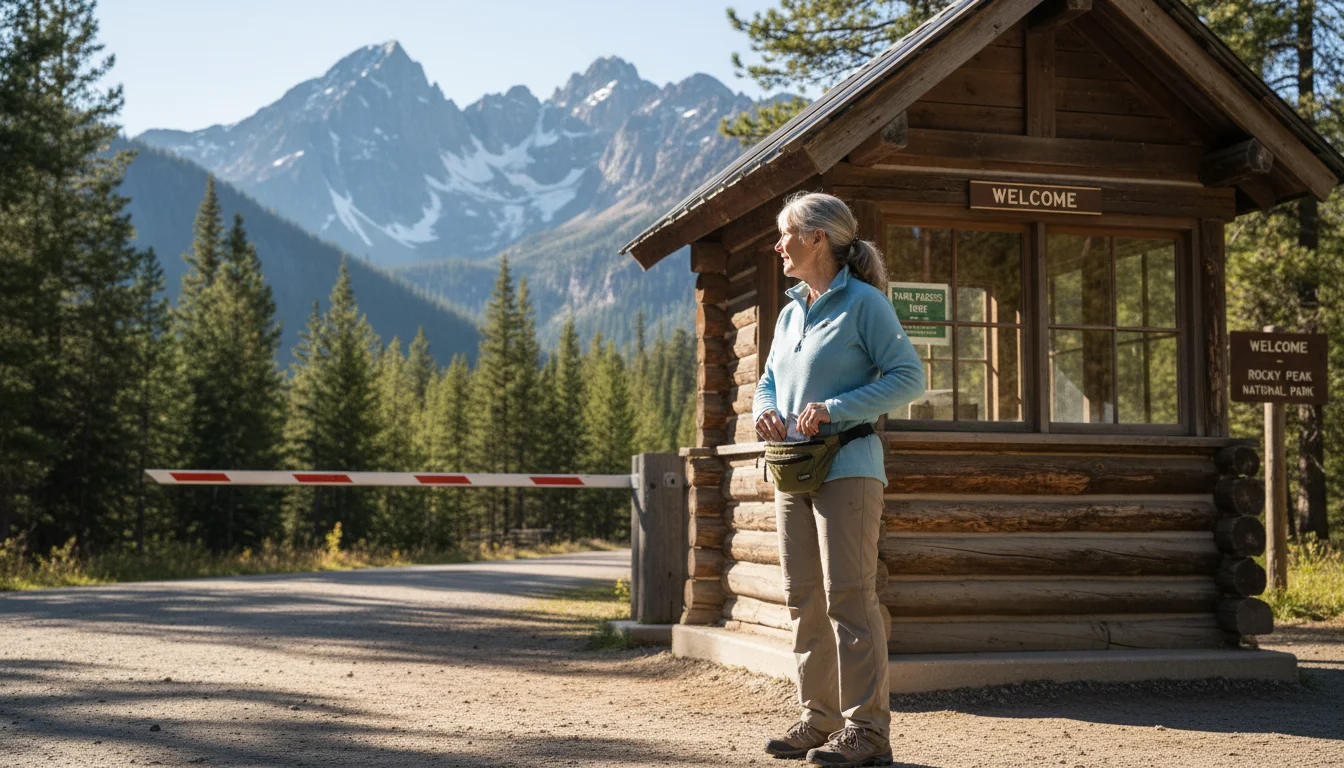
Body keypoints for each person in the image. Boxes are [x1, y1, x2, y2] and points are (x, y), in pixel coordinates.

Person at [752, 192, 925, 767]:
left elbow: (908, 379)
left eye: (786, 234)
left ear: (818, 238)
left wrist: (836, 407)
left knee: (848, 597)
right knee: (803, 598)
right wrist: (764, 410)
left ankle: (869, 731)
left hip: (849, 467)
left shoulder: (866, 304)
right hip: (792, 470)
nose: (778, 245)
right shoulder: (790, 309)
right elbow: (768, 383)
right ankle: (818, 718)